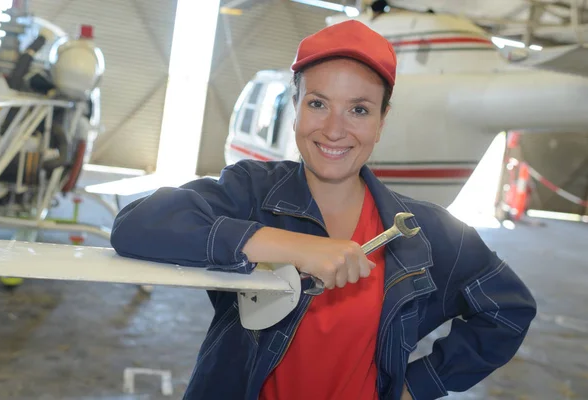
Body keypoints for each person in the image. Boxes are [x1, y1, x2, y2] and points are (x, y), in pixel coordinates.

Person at [110, 19, 537, 400]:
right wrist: (286, 245)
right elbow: (136, 224)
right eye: (317, 103)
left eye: (359, 109)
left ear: (382, 121)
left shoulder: (423, 232)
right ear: (295, 107)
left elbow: (507, 309)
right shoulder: (250, 191)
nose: (334, 129)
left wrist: (417, 385)